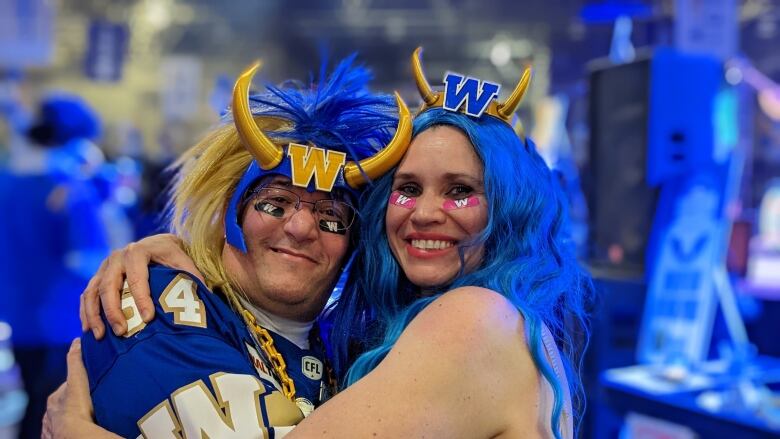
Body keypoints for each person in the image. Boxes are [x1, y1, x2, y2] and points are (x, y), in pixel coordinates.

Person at [48, 48, 592, 438]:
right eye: (406, 189)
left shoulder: (476, 320)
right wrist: (187, 248)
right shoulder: (367, 337)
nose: (427, 212)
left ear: (511, 210)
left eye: (462, 191)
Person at [49, 56, 411, 438]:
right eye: (274, 204)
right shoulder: (159, 302)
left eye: (331, 216)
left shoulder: (354, 344)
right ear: (228, 214)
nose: (302, 227)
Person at [0, 93, 110, 439]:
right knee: (55, 415)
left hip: (18, 316)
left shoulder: (6, 183)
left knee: (33, 405)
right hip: (64, 320)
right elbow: (91, 258)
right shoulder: (73, 192)